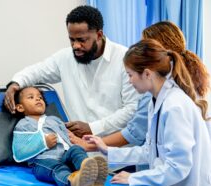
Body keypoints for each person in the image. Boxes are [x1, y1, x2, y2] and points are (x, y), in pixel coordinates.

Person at [83, 39, 211, 186]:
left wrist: (134, 178)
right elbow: (150, 151)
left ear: (147, 74)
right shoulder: (156, 101)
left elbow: (178, 167)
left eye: (130, 75)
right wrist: (108, 150)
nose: (130, 81)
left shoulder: (175, 106)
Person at [70, 21, 210, 151]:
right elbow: (147, 152)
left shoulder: (167, 100)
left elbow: (135, 133)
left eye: (131, 75)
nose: (130, 81)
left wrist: (90, 145)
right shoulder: (186, 81)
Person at [4, 5, 139, 138]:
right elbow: (36, 71)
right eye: (71, 39)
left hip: (117, 148)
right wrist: (15, 83)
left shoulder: (125, 59)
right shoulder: (65, 58)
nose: (75, 46)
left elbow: (132, 109)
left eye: (81, 40)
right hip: (80, 147)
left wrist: (93, 128)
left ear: (99, 35)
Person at [12, 86, 108, 186]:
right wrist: (44, 143)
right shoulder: (23, 125)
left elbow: (68, 136)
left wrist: (78, 141)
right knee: (57, 169)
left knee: (76, 150)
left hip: (65, 154)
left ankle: (88, 174)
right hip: (43, 161)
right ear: (20, 107)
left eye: (40, 97)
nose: (38, 99)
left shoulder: (54, 120)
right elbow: (19, 152)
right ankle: (74, 182)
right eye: (31, 97)